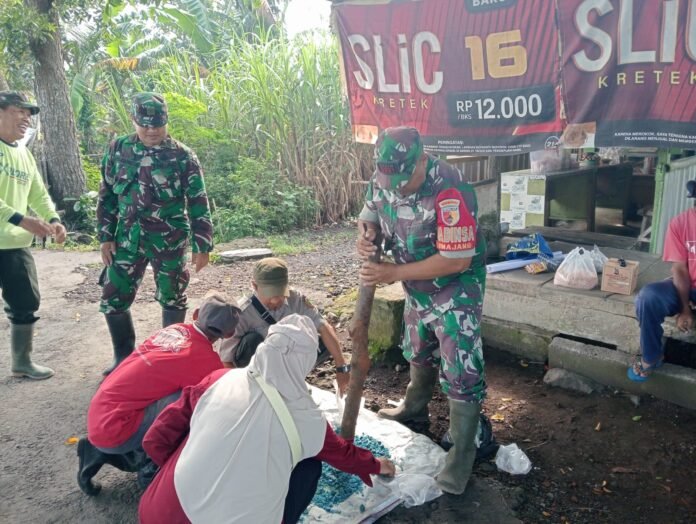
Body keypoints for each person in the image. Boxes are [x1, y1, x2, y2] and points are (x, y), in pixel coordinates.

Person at [139, 314, 395, 524]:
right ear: (306, 363)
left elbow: (155, 438)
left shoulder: (218, 379)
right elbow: (345, 456)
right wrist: (378, 465)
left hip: (158, 514)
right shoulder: (308, 420)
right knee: (309, 467)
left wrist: (184, 468)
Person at [356, 126, 486, 495]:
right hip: (415, 282)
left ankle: (462, 454)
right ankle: (414, 408)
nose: (396, 188)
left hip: (455, 286)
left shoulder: (450, 188)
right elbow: (369, 216)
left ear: (422, 161)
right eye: (390, 181)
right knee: (418, 346)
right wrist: (366, 236)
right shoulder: (384, 176)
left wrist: (392, 273)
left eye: (404, 180)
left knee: (460, 366)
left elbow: (456, 260)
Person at [77, 293, 241, 496]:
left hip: (100, 412)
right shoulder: (208, 362)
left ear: (196, 314)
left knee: (173, 391)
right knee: (192, 401)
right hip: (116, 431)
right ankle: (150, 464)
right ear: (229, 334)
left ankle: (102, 450)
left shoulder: (174, 330)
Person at [97, 92, 214, 375]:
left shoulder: (183, 156)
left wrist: (202, 245)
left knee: (173, 296)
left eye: (158, 125)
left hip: (169, 239)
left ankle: (168, 360)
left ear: (166, 121)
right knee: (113, 295)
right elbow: (107, 195)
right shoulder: (118, 149)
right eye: (145, 125)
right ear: (133, 120)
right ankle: (123, 358)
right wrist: (105, 236)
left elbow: (198, 201)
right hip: (127, 239)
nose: (152, 131)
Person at [0, 91, 67, 380]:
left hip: (14, 244)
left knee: (25, 301)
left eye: (29, 114)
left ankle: (22, 362)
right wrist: (21, 219)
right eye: (20, 111)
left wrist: (53, 219)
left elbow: (38, 193)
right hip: (15, 229)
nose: (26, 118)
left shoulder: (23, 153)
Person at [219, 257, 351, 395]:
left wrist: (341, 366)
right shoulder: (242, 312)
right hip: (256, 369)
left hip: (287, 360)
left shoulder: (296, 299)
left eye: (280, 294)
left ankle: (291, 379)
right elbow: (225, 360)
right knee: (252, 340)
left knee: (324, 338)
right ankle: (261, 387)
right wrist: (240, 391)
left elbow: (323, 326)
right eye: (270, 294)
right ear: (255, 286)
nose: (276, 300)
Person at [628, 181, 696, 381]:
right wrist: (685, 308)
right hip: (688, 286)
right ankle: (652, 357)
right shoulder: (680, 223)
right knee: (648, 297)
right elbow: (680, 269)